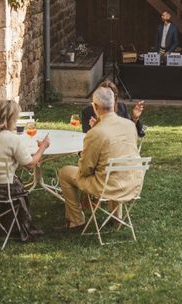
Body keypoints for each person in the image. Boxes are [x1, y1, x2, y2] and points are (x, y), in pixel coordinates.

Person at [58, 87, 144, 230]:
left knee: (65, 172)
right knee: (114, 169)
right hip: (132, 183)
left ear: (95, 107)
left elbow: (85, 169)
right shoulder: (129, 125)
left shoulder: (95, 132)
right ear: (113, 103)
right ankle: (117, 217)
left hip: (107, 186)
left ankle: (76, 220)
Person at [0, 100, 50, 242]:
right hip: (4, 190)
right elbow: (30, 164)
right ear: (11, 118)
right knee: (20, 188)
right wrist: (42, 147)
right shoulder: (12, 139)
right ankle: (16, 226)